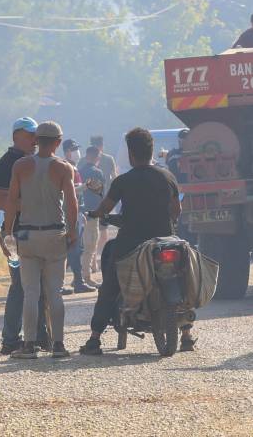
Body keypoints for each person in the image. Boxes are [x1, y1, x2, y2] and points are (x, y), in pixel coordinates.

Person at [79, 127, 187, 356]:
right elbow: (177, 209)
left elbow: (105, 207)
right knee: (183, 276)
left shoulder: (123, 181)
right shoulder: (168, 176)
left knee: (109, 285)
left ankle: (95, 339)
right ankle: (186, 334)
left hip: (131, 243)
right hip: (165, 240)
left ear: (130, 153)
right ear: (152, 151)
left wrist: (96, 213)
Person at [2, 121, 78, 359]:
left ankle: (29, 345)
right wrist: (73, 231)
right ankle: (58, 345)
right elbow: (71, 204)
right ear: (57, 142)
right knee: (55, 292)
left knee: (31, 292)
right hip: (55, 233)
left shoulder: (21, 165)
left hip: (28, 234)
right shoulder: (64, 168)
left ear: (36, 140)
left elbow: (12, 201)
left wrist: (7, 232)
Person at [0, 118, 49, 355]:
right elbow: (1, 201)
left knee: (37, 286)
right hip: (15, 234)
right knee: (20, 286)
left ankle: (38, 336)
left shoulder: (34, 161)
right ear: (17, 136)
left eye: (36, 135)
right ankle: (10, 338)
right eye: (30, 135)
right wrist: (33, 203)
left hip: (36, 230)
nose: (35, 140)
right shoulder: (6, 164)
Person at [61, 140, 94, 295]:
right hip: (70, 213)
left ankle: (77, 280)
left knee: (77, 248)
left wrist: (82, 213)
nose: (76, 152)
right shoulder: (65, 167)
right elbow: (69, 192)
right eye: (74, 149)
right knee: (73, 249)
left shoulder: (74, 167)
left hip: (77, 212)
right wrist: (83, 187)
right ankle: (77, 281)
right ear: (67, 151)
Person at [78, 145, 106, 288]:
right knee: (90, 247)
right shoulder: (97, 172)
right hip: (92, 214)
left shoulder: (79, 171)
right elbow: (100, 194)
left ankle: (80, 274)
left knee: (80, 246)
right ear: (96, 157)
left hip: (79, 213)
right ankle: (86, 277)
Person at [91, 135, 118, 263]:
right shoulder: (109, 159)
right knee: (103, 228)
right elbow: (114, 177)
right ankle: (98, 255)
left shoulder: (86, 159)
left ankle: (93, 255)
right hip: (106, 199)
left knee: (91, 229)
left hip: (90, 199)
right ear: (102, 145)